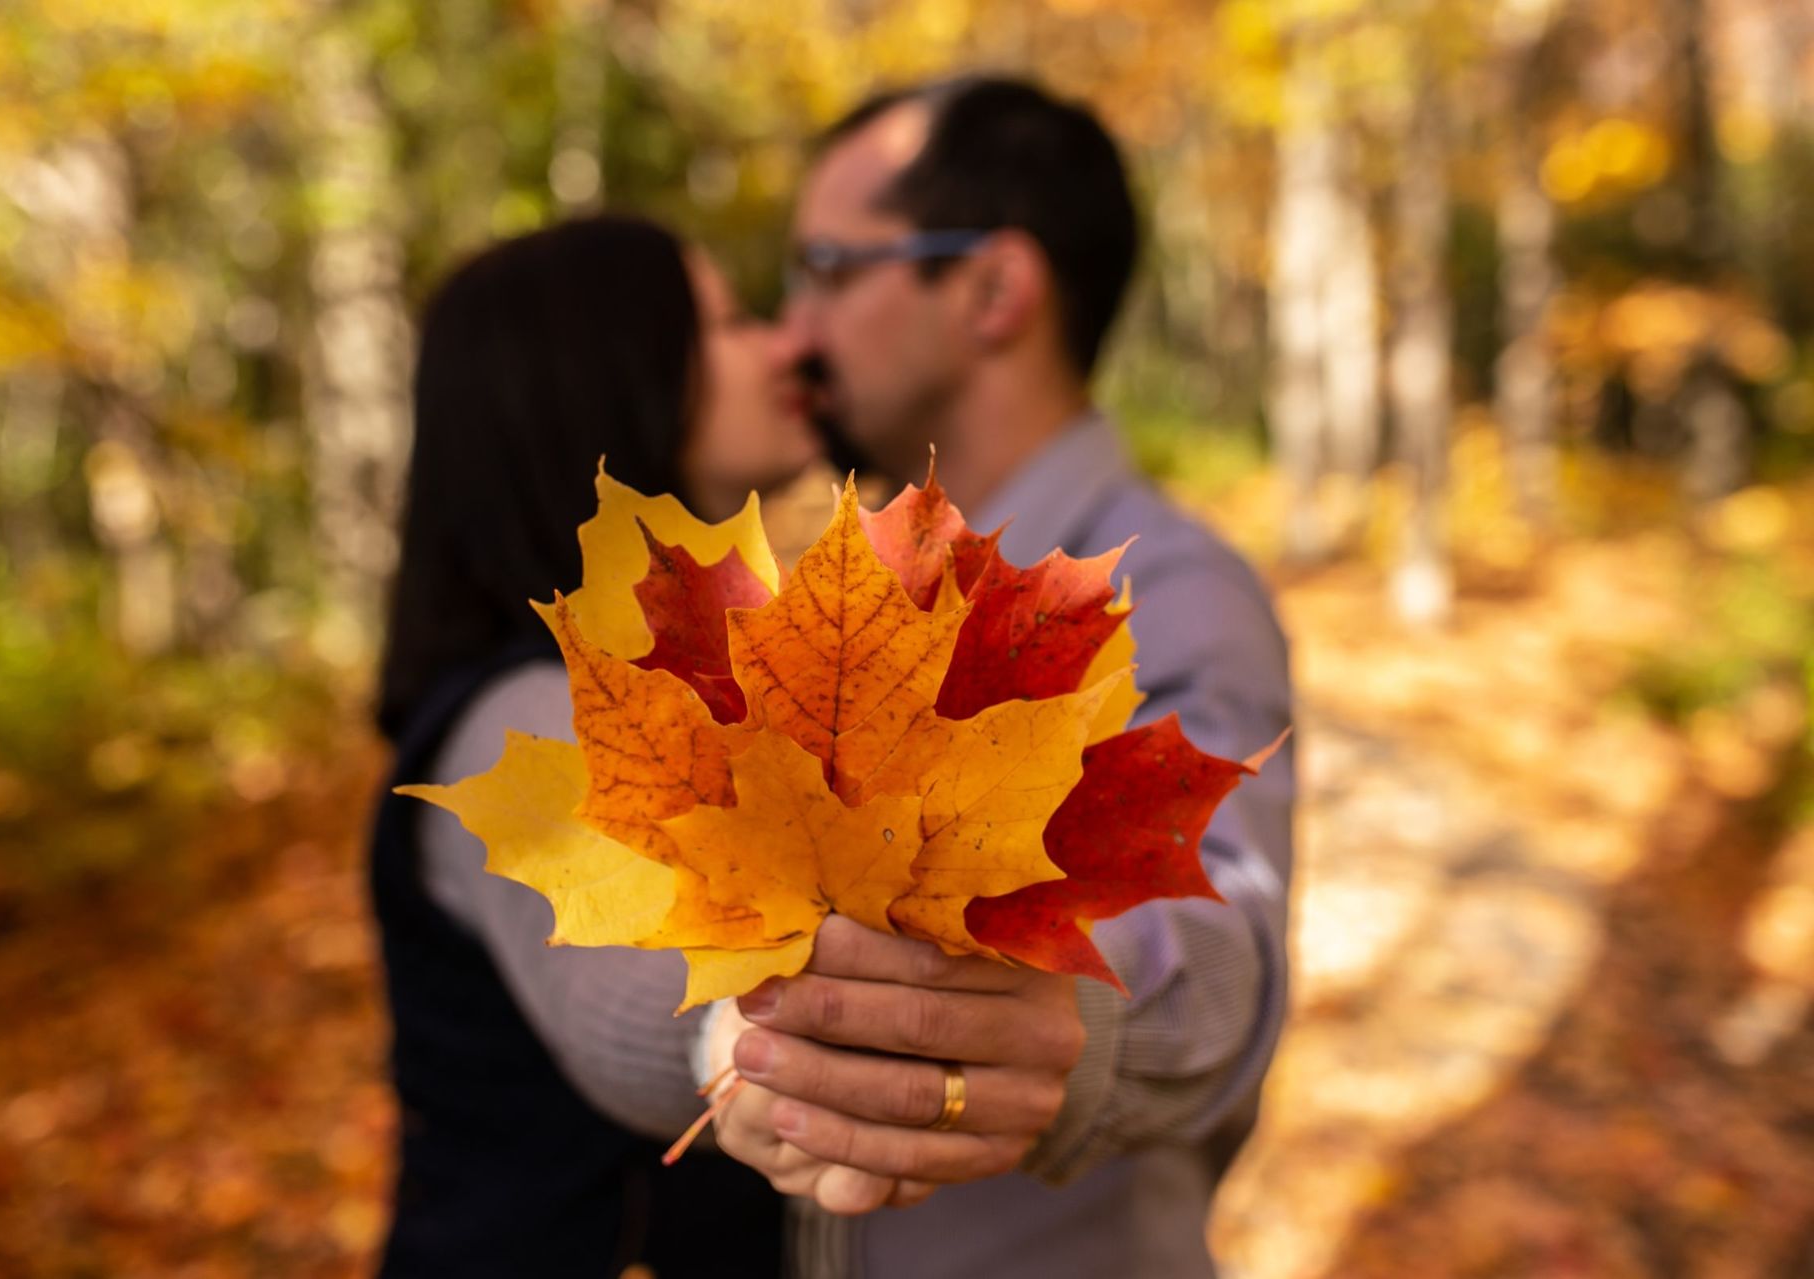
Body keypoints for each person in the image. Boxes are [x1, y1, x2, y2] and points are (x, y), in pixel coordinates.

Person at [702, 76, 1297, 1278]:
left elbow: (1222, 941)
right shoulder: (844, 598)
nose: (793, 331)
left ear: (992, 289)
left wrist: (1078, 1009)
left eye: (825, 266)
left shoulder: (1174, 594)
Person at [369, 215, 821, 1277]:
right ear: (609, 381)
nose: (781, 346)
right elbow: (625, 976)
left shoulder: (677, 690)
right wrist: (735, 1044)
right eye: (728, 320)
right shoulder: (515, 721)